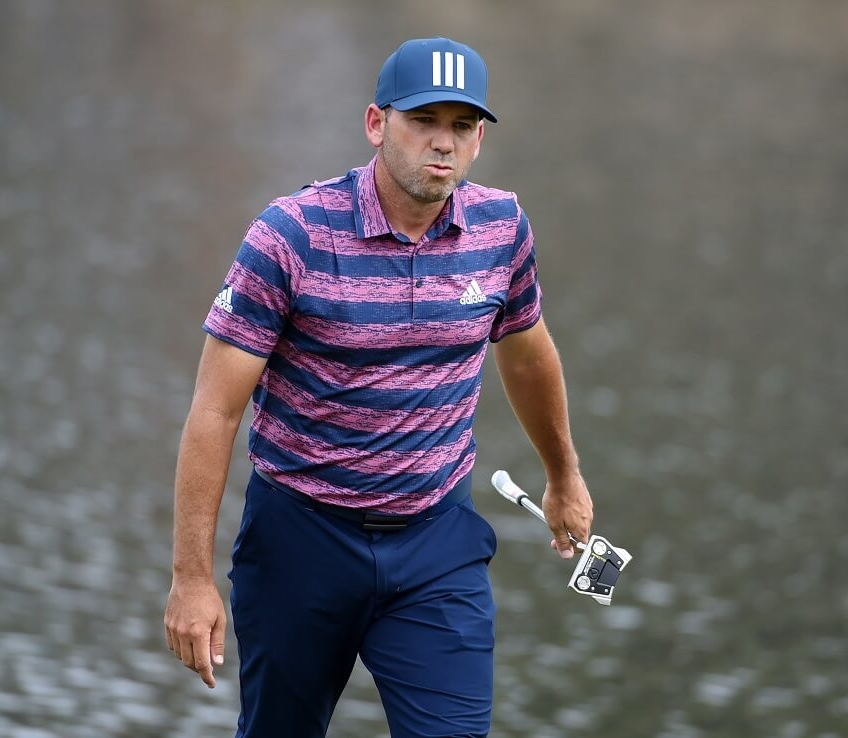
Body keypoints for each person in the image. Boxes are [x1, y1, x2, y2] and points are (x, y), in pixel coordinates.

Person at [163, 36, 593, 738]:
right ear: (376, 123)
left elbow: (526, 353)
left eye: (462, 126)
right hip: (300, 541)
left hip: (436, 543)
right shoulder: (290, 236)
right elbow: (214, 412)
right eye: (424, 121)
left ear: (479, 139)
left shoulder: (501, 228)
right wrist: (191, 576)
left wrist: (564, 476)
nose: (443, 144)